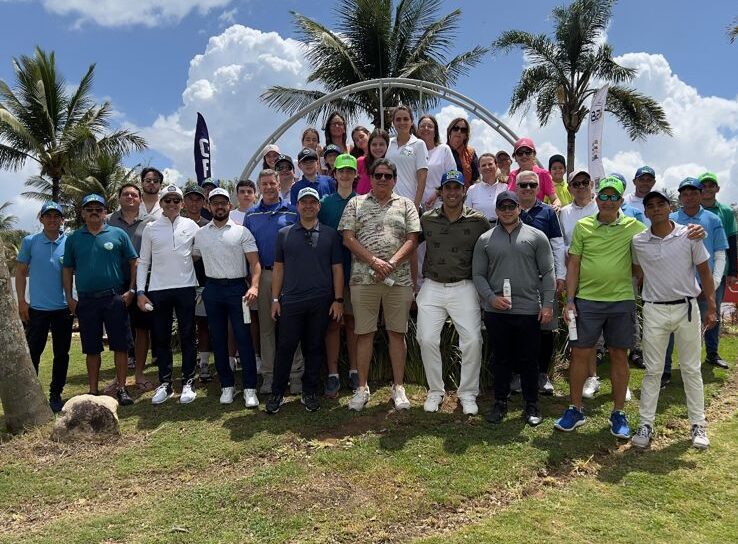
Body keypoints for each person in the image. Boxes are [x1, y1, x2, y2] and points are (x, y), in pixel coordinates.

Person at [555, 177, 645, 438]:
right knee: (580, 353)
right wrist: (570, 301)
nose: (607, 201)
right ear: (597, 199)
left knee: (619, 355)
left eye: (612, 197)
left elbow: (654, 245)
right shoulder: (583, 226)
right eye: (603, 197)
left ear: (620, 200)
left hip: (621, 301)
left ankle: (618, 413)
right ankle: (575, 409)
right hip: (587, 301)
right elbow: (574, 264)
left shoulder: (634, 226)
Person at [631, 189, 715, 450]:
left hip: (687, 309)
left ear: (670, 208)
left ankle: (697, 424)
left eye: (660, 204)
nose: (655, 208)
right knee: (653, 371)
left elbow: (704, 270)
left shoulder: (689, 234)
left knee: (691, 368)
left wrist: (711, 305)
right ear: (645, 212)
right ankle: (645, 424)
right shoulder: (638, 241)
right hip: (654, 309)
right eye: (651, 206)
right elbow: (637, 272)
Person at [339, 158, 420, 411]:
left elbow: (413, 239)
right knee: (364, 333)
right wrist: (374, 261)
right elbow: (347, 238)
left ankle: (398, 387)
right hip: (364, 279)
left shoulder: (406, 204)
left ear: (394, 179)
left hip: (400, 280)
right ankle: (362, 388)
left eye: (387, 176)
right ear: (370, 178)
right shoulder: (356, 203)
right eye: (378, 175)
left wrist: (391, 263)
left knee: (398, 333)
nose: (382, 179)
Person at [473, 191, 555, 426]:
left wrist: (548, 304)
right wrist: (490, 298)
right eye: (503, 207)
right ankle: (500, 402)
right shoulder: (485, 239)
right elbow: (478, 275)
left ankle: (532, 405)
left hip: (529, 310)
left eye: (512, 207)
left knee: (529, 360)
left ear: (519, 208)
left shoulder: (537, 236)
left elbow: (548, 273)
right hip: (497, 312)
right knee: (501, 359)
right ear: (497, 211)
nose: (507, 211)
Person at [417, 170, 490, 415]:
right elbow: (408, 244)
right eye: (447, 187)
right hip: (432, 285)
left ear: (463, 191)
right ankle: (435, 391)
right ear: (441, 192)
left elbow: (490, 251)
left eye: (456, 188)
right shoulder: (427, 218)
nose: (451, 192)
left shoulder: (478, 220)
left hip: (464, 286)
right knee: (426, 338)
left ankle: (468, 393)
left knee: (472, 340)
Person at [266, 187, 345, 414]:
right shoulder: (285, 234)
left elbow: (337, 269)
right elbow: (279, 269)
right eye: (304, 202)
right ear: (297, 206)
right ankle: (277, 393)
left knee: (314, 348)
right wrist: (275, 299)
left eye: (313, 202)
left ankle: (308, 392)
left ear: (318, 206)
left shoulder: (330, 234)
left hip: (320, 301)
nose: (308, 206)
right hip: (291, 301)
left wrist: (338, 300)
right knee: (285, 348)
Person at [62, 194, 137, 405]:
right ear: (83, 213)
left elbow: (134, 261)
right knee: (91, 347)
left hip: (114, 298)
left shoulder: (118, 234)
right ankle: (93, 391)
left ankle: (122, 388)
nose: (94, 212)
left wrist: (131, 290)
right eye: (90, 208)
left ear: (105, 212)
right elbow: (67, 268)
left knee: (120, 346)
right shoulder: (74, 238)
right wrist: (69, 297)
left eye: (99, 208)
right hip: (86, 301)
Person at [193, 188, 262, 408]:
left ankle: (250, 388)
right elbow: (190, 260)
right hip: (212, 289)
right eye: (215, 203)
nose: (219, 206)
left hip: (237, 289)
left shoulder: (242, 232)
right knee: (219, 339)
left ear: (229, 206)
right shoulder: (201, 234)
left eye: (223, 202)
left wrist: (254, 286)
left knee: (244, 338)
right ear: (209, 206)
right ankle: (227, 386)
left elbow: (255, 263)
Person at [136, 185, 199, 405]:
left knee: (188, 335)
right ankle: (165, 383)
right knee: (161, 337)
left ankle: (188, 381)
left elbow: (201, 250)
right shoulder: (151, 228)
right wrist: (140, 292)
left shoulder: (191, 225)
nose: (172, 204)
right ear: (161, 203)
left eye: (176, 201)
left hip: (186, 287)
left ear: (182, 204)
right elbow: (143, 261)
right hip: (158, 289)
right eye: (168, 200)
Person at [662, 177, 728, 386]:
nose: (689, 197)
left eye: (693, 193)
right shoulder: (670, 217)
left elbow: (719, 252)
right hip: (675, 285)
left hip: (704, 284)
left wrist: (715, 281)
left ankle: (692, 370)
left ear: (701, 195)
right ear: (680, 197)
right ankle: (664, 372)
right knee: (668, 330)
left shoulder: (713, 219)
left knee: (698, 329)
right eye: (685, 193)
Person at [244, 169, 303, 394]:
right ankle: (269, 376)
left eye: (272, 183)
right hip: (264, 275)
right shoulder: (251, 215)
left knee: (292, 326)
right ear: (260, 187)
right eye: (264, 184)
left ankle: (296, 375)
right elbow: (247, 251)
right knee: (267, 330)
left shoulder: (291, 211)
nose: (269, 187)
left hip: (290, 275)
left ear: (280, 184)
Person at [15, 202, 72, 413]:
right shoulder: (30, 241)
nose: (52, 219)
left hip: (63, 308)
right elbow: (20, 272)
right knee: (34, 352)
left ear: (62, 219)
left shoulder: (70, 242)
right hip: (37, 309)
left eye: (57, 216)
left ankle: (56, 393)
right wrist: (22, 301)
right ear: (41, 219)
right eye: (48, 216)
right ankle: (31, 395)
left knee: (62, 353)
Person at [513, 171, 565, 396]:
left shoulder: (548, 212)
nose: (527, 189)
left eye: (532, 185)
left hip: (543, 280)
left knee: (545, 329)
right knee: (517, 329)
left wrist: (560, 275)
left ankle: (543, 374)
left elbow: (557, 245)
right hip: (516, 281)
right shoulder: (509, 209)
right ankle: (517, 374)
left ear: (538, 187)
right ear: (516, 187)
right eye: (523, 185)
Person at [108, 183, 157, 391]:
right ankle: (119, 378)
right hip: (115, 283)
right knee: (117, 330)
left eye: (134, 195)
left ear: (140, 199)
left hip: (143, 283)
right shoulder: (108, 220)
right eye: (126, 194)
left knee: (142, 329)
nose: (130, 197)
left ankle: (138, 374)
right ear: (119, 198)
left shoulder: (152, 222)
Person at [318, 154, 359, 397]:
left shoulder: (362, 201)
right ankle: (333, 373)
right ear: (334, 175)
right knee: (333, 324)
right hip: (330, 273)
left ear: (355, 175)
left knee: (353, 322)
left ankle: (354, 370)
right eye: (341, 171)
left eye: (349, 171)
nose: (345, 175)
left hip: (356, 272)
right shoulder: (325, 203)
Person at [558, 170, 601, 399]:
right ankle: (583, 374)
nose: (582, 187)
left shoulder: (601, 208)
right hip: (574, 277)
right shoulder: (563, 213)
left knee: (594, 330)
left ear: (591, 184)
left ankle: (593, 376)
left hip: (599, 276)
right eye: (577, 183)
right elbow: (561, 244)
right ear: (570, 188)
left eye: (586, 182)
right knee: (577, 328)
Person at [698, 171, 736, 370]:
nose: (707, 189)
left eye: (711, 185)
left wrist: (733, 272)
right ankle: (692, 355)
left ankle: (712, 353)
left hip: (718, 272)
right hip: (692, 274)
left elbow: (732, 241)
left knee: (713, 312)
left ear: (717, 189)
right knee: (690, 315)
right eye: (703, 185)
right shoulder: (690, 210)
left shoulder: (726, 212)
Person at [181, 184, 213, 382]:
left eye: (198, 199)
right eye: (190, 199)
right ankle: (187, 364)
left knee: (203, 324)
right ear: (184, 202)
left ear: (204, 202)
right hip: (180, 281)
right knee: (185, 326)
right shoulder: (177, 224)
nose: (194, 203)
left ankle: (204, 364)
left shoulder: (208, 224)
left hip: (203, 281)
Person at [386, 105, 428, 209]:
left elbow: (422, 178)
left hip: (409, 204)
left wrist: (416, 206)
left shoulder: (419, 144)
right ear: (393, 123)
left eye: (406, 119)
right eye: (398, 119)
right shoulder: (388, 143)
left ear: (412, 121)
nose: (402, 122)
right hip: (389, 204)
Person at [506, 138, 560, 210]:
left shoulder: (543, 174)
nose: (524, 155)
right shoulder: (512, 175)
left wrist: (556, 206)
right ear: (515, 157)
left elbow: (555, 199)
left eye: (528, 152)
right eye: (520, 153)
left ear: (534, 154)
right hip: (514, 218)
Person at [416, 114, 456, 210]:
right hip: (416, 207)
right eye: (422, 126)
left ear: (435, 132)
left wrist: (436, 193)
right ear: (418, 131)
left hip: (440, 205)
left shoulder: (444, 149)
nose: (426, 128)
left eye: (429, 126)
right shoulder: (413, 152)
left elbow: (452, 175)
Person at [466, 153, 509, 222]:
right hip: (479, 230)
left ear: (497, 166)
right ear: (479, 169)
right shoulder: (472, 189)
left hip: (501, 229)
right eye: (483, 165)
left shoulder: (506, 188)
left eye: (490, 164)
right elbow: (467, 214)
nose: (487, 167)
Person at [446, 118, 479, 186]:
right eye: (455, 128)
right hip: (443, 194)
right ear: (450, 131)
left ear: (466, 136)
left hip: (465, 194)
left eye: (463, 130)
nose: (459, 132)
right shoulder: (440, 150)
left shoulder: (471, 153)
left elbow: (476, 178)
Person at [356, 128, 389, 195]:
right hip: (360, 203)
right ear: (369, 146)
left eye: (381, 144)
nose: (377, 147)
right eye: (374, 144)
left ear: (387, 145)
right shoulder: (361, 161)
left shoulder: (391, 165)